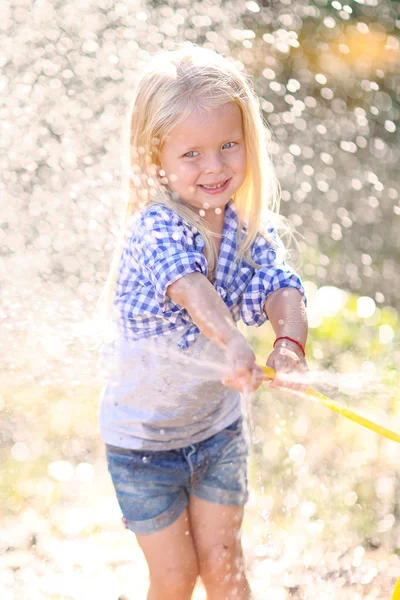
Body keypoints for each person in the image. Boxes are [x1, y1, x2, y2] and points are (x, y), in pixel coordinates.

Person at [98, 43, 308, 600]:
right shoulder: (155, 228)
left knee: (224, 565)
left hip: (215, 433)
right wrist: (234, 341)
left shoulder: (243, 227)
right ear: (156, 158)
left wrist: (288, 343)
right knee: (175, 577)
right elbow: (193, 292)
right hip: (142, 446)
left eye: (228, 145)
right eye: (191, 154)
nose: (214, 166)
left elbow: (283, 287)